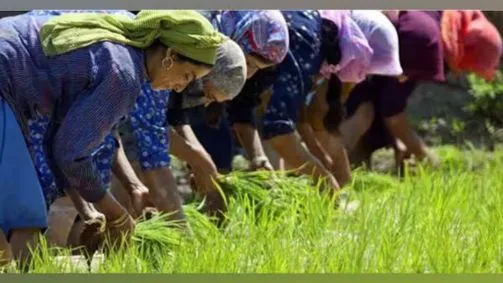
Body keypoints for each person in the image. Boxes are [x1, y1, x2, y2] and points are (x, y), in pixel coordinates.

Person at [0, 10, 225, 265]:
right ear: (170, 58)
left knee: (23, 214)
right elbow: (71, 155)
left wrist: (89, 211)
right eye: (187, 76)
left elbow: (58, 140)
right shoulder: (123, 75)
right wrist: (117, 215)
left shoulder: (121, 54)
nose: (181, 87)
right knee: (25, 217)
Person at [342, 10, 502, 172]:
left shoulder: (434, 19)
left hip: (355, 47)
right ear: (467, 51)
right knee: (362, 114)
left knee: (368, 117)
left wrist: (397, 142)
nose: (465, 72)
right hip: (345, 47)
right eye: (470, 67)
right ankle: (330, 170)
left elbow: (384, 93)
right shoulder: (424, 40)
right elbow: (392, 114)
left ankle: (346, 176)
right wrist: (425, 156)